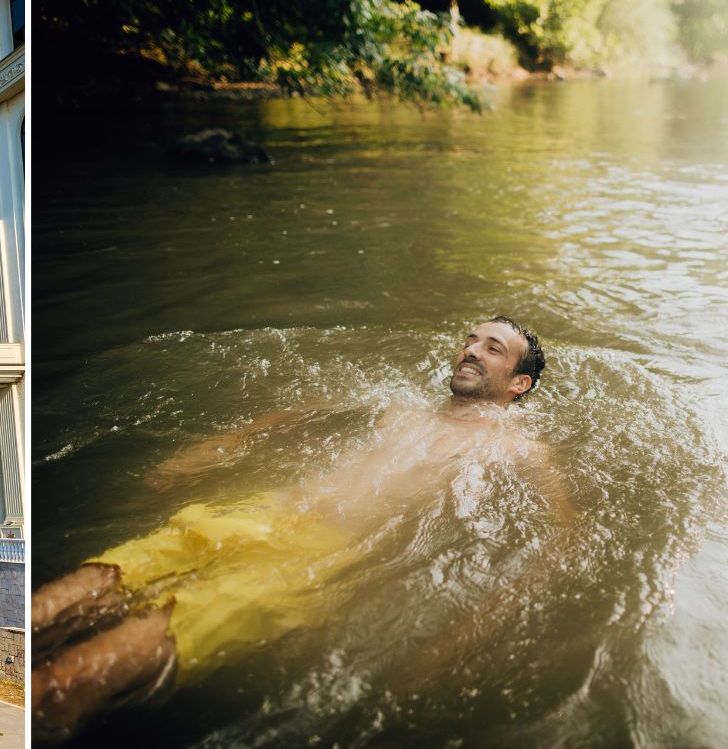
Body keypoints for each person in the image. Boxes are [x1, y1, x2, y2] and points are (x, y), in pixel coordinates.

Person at [31, 316, 562, 742]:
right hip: (260, 512)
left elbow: (563, 535)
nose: (471, 349)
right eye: (470, 339)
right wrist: (222, 443)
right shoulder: (400, 408)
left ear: (520, 383)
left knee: (61, 684)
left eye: (492, 348)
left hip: (309, 561)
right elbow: (300, 411)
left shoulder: (517, 449)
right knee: (58, 601)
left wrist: (454, 643)